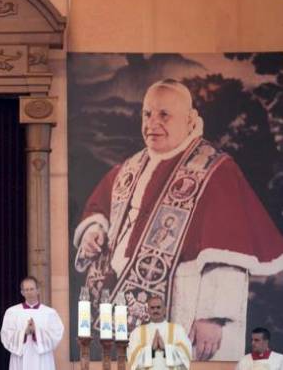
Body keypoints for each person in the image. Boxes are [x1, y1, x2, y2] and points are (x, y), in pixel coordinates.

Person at [73, 79, 283, 360]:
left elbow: (228, 253)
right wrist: (93, 230)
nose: (152, 123)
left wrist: (213, 316)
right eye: (147, 114)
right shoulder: (132, 166)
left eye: (164, 115)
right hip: (120, 305)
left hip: (187, 305)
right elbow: (100, 207)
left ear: (190, 120)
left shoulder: (216, 170)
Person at [0, 276, 64, 369]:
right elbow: (6, 335)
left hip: (42, 358)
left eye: (32, 289)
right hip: (20, 357)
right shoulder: (12, 312)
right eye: (26, 290)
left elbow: (56, 334)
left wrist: (36, 331)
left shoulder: (50, 313)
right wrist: (24, 333)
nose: (29, 292)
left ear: (38, 290)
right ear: (22, 292)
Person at [128, 296, 192, 370]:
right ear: (148, 310)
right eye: (152, 308)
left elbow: (186, 353)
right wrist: (151, 349)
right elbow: (132, 356)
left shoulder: (178, 330)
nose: (155, 310)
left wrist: (165, 348)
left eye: (158, 307)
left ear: (164, 310)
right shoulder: (137, 332)